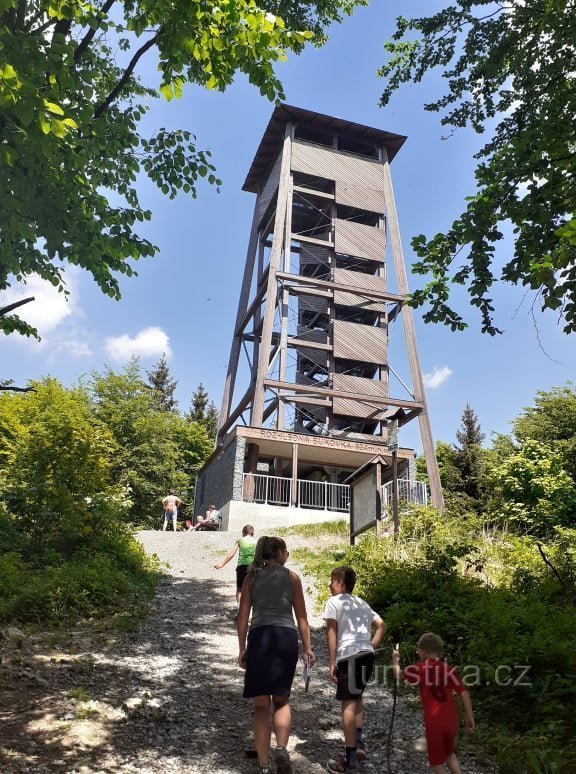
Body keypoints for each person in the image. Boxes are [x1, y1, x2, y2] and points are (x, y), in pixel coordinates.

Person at [237, 536, 315, 774]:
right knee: (281, 699)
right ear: (280, 553)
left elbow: (242, 617)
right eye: (286, 551)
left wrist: (242, 647)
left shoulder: (252, 577)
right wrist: (307, 648)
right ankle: (281, 748)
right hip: (286, 637)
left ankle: (263, 764)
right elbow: (302, 617)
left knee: (261, 705)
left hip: (260, 636)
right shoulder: (292, 577)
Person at [324, 566, 386, 774]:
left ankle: (349, 759)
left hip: (348, 655)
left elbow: (331, 632)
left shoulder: (334, 602)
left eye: (332, 581)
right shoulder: (362, 602)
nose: (329, 585)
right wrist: (371, 645)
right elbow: (381, 625)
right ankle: (358, 743)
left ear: (340, 583)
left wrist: (332, 661)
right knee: (357, 697)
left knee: (347, 704)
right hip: (366, 654)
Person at [391, 632, 475, 774]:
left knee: (437, 763)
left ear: (421, 651)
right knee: (449, 755)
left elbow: (397, 674)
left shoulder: (418, 668)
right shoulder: (449, 670)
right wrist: (469, 715)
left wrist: (395, 660)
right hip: (451, 721)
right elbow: (463, 692)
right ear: (440, 652)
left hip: (434, 723)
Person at [214, 524, 257, 606]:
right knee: (252, 588)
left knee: (240, 588)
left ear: (243, 532)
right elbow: (258, 555)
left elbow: (231, 554)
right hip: (252, 567)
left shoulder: (240, 540)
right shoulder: (256, 541)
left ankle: (239, 607)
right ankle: (250, 608)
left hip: (241, 566)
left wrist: (222, 564)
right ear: (252, 532)